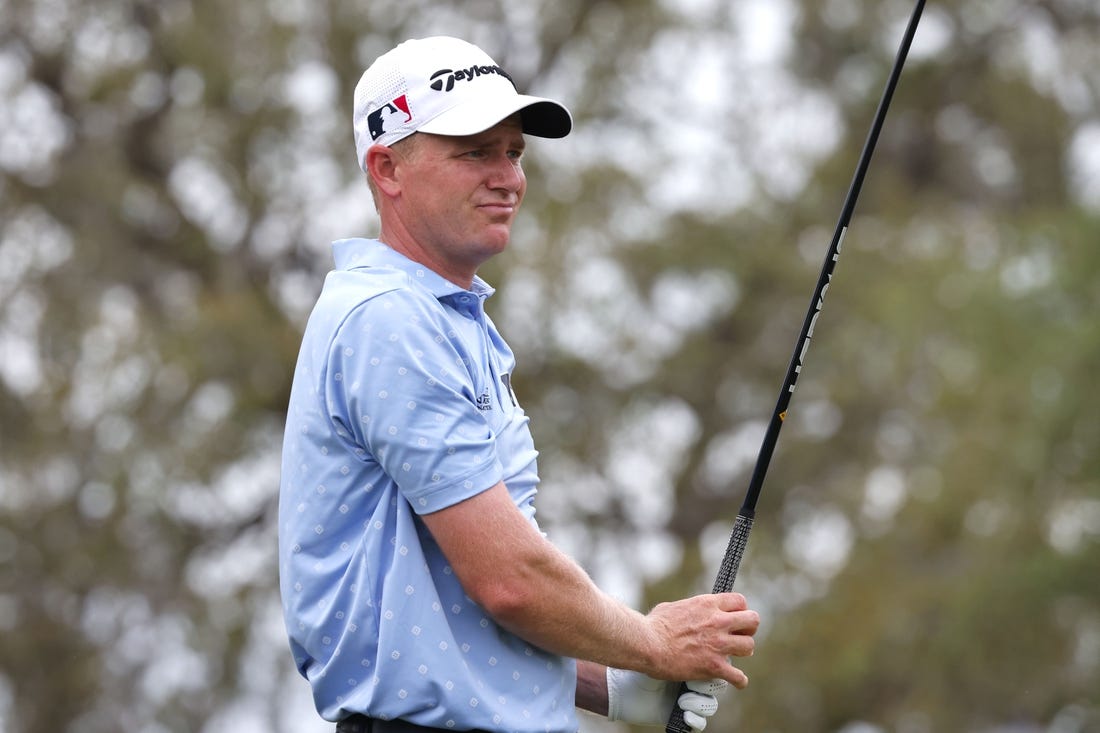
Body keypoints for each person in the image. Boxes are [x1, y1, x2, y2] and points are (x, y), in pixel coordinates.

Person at [278, 36, 760, 733]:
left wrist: (617, 685)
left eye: (514, 152)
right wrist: (654, 642)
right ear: (388, 168)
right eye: (475, 151)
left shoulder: (443, 320)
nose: (507, 176)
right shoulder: (389, 320)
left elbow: (456, 617)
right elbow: (509, 581)